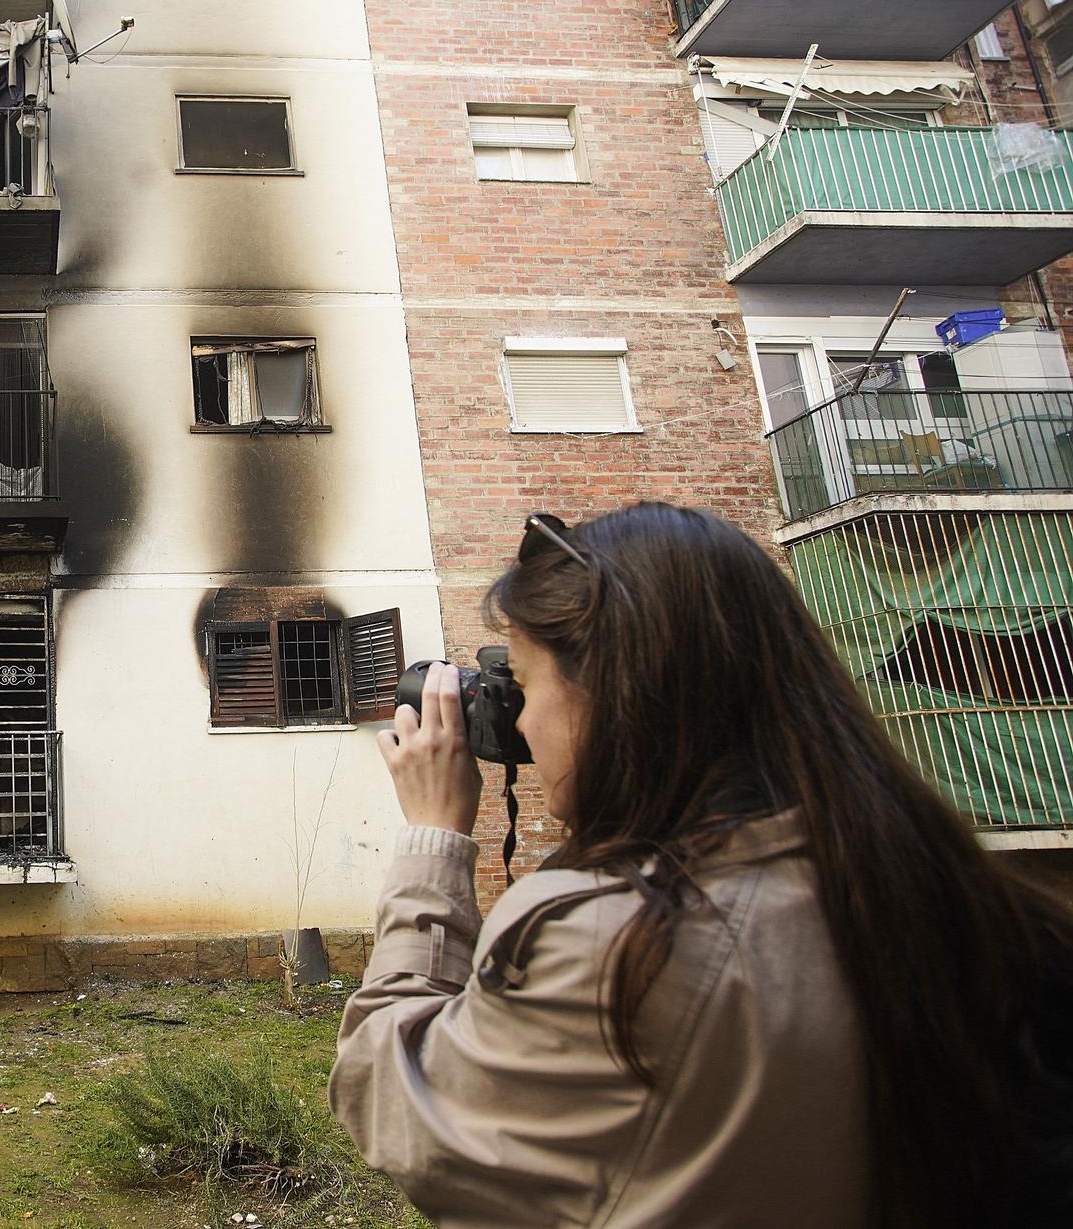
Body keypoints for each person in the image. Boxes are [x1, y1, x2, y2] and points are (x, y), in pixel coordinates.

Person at [329, 502, 1073, 1226]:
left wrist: (434, 839)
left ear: (615, 693)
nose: (519, 721)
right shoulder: (948, 888)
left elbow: (394, 1102)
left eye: (525, 683)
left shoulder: (621, 941)